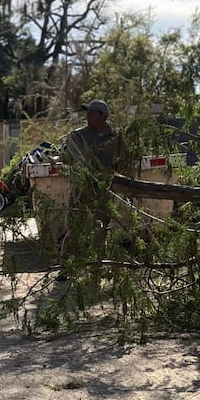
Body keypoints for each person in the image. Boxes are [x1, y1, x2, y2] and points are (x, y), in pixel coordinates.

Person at [56, 99, 124, 273]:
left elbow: (122, 163)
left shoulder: (115, 138)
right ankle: (66, 268)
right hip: (81, 190)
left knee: (101, 230)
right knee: (74, 229)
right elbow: (65, 157)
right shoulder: (77, 136)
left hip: (103, 191)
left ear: (103, 116)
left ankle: (96, 268)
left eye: (92, 112)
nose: (87, 115)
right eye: (87, 111)